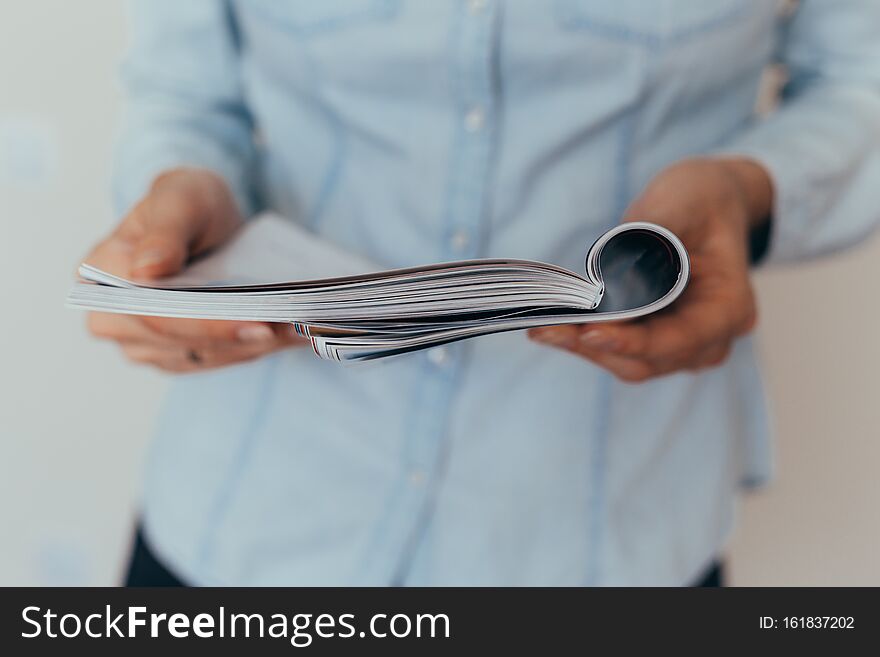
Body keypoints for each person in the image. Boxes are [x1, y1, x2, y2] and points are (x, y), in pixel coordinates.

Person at [84, 1, 880, 586]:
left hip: (608, 530)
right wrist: (187, 194)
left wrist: (745, 190)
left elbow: (860, 84)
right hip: (256, 516)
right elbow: (183, 92)